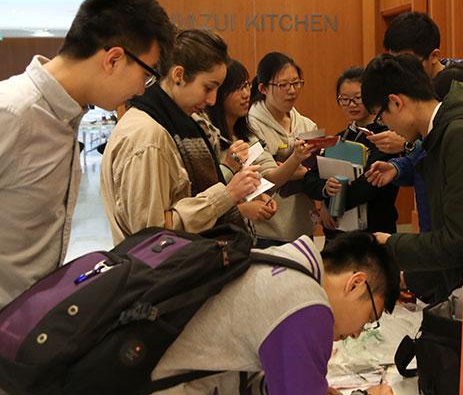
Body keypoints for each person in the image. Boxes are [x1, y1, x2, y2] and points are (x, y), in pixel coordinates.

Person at [0, 0, 174, 395]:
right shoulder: (9, 113)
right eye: (146, 75)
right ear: (113, 58)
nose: (143, 89)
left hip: (25, 352)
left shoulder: (64, 116)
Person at [116, 231, 399, 395]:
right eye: (368, 319)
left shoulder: (278, 262)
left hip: (134, 390)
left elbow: (235, 347)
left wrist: (291, 383)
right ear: (356, 284)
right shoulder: (304, 302)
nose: (357, 333)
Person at [101, 29, 262, 244]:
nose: (213, 100)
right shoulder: (148, 136)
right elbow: (151, 238)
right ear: (178, 76)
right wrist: (226, 195)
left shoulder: (178, 122)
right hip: (165, 272)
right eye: (208, 87)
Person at [361, 53, 463, 304]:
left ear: (396, 103)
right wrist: (406, 278)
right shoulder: (438, 133)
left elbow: (458, 242)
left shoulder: (457, 134)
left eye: (381, 117)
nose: (386, 126)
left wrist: (390, 245)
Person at [198, 59, 312, 226]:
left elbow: (269, 178)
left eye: (246, 86)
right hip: (217, 236)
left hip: (245, 235)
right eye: (237, 89)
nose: (245, 94)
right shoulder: (205, 137)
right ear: (219, 93)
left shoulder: (247, 135)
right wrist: (243, 208)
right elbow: (200, 201)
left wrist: (259, 196)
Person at [302, 66, 401, 239]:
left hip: (374, 232)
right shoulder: (340, 138)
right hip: (337, 234)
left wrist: (329, 204)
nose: (351, 105)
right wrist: (325, 190)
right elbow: (311, 178)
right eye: (344, 99)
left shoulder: (386, 138)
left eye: (358, 98)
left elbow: (367, 187)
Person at [247, 52, 319, 248]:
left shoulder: (306, 125)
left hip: (302, 228)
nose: (292, 90)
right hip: (267, 230)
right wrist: (296, 162)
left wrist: (289, 168)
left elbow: (316, 173)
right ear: (262, 88)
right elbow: (267, 180)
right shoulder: (250, 126)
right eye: (283, 85)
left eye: (296, 83)